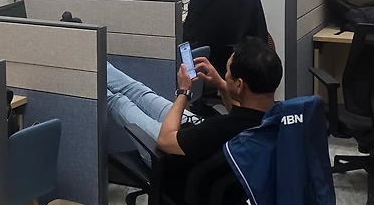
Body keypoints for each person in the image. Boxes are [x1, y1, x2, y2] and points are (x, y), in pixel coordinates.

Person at [107, 37, 281, 196]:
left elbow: (165, 141)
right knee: (138, 90)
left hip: (167, 157)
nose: (225, 75)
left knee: (118, 102)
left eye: (227, 72)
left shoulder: (221, 127)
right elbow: (238, 112)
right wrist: (221, 84)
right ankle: (94, 57)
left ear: (239, 85)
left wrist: (184, 93)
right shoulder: (274, 118)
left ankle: (90, 68)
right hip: (194, 136)